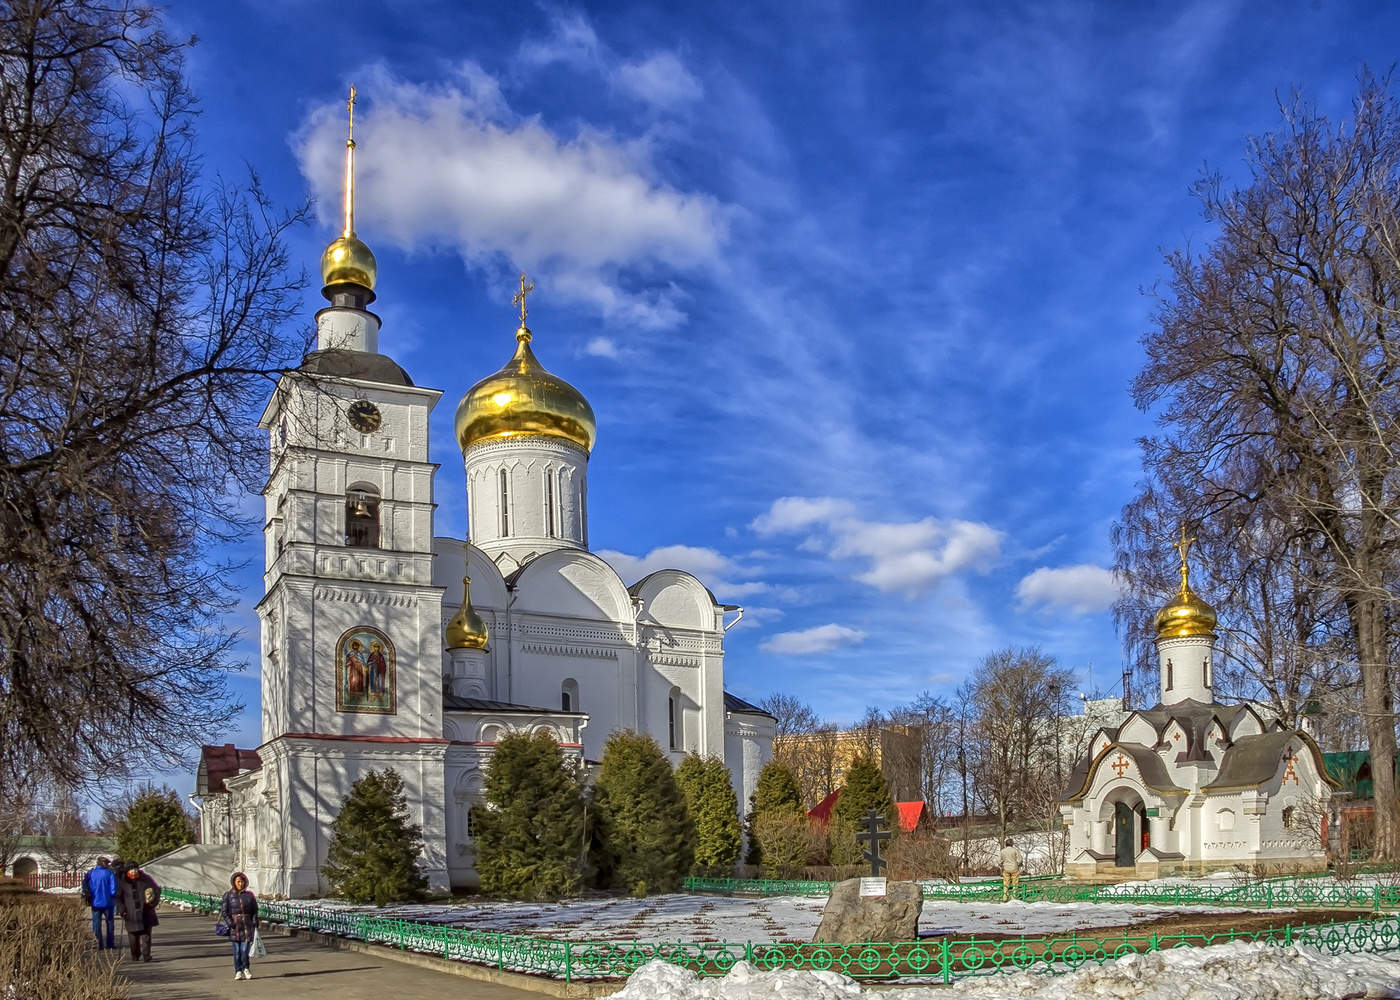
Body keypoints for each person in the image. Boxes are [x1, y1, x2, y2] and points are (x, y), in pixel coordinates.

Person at [116, 862, 161, 961]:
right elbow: (118, 897)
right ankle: (135, 955)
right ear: (127, 871)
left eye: (136, 869)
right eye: (131, 869)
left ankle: (146, 956)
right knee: (133, 937)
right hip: (130, 913)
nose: (134, 871)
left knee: (146, 936)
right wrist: (121, 909)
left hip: (146, 911)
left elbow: (156, 890)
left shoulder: (146, 879)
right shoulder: (123, 882)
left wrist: (152, 903)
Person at [219, 871, 259, 981]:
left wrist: (255, 921)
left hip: (247, 926)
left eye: (242, 882)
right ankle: (238, 971)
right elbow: (224, 911)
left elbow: (254, 910)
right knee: (237, 952)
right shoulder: (228, 895)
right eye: (238, 882)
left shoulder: (249, 895)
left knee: (244, 950)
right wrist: (230, 922)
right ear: (234, 882)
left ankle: (246, 968)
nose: (240, 884)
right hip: (235, 926)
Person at [82, 856, 118, 949]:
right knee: (109, 923)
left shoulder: (91, 873)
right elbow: (114, 888)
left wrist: (88, 893)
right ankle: (110, 944)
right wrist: (113, 895)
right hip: (108, 902)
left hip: (95, 902)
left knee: (96, 924)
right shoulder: (109, 873)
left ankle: (98, 943)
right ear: (105, 864)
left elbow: (84, 885)